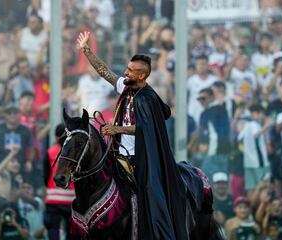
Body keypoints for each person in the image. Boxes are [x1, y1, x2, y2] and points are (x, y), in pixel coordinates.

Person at [77, 31, 206, 240]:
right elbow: (105, 72)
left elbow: (146, 128)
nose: (126, 73)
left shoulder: (147, 98)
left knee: (151, 195)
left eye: (131, 71)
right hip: (119, 152)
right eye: (127, 68)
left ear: (142, 76)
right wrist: (87, 50)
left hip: (143, 158)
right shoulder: (127, 87)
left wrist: (116, 129)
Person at [43, 123, 75, 240]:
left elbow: (46, 176)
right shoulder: (75, 152)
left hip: (53, 199)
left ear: (56, 137)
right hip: (70, 199)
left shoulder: (50, 152)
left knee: (52, 229)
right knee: (71, 231)